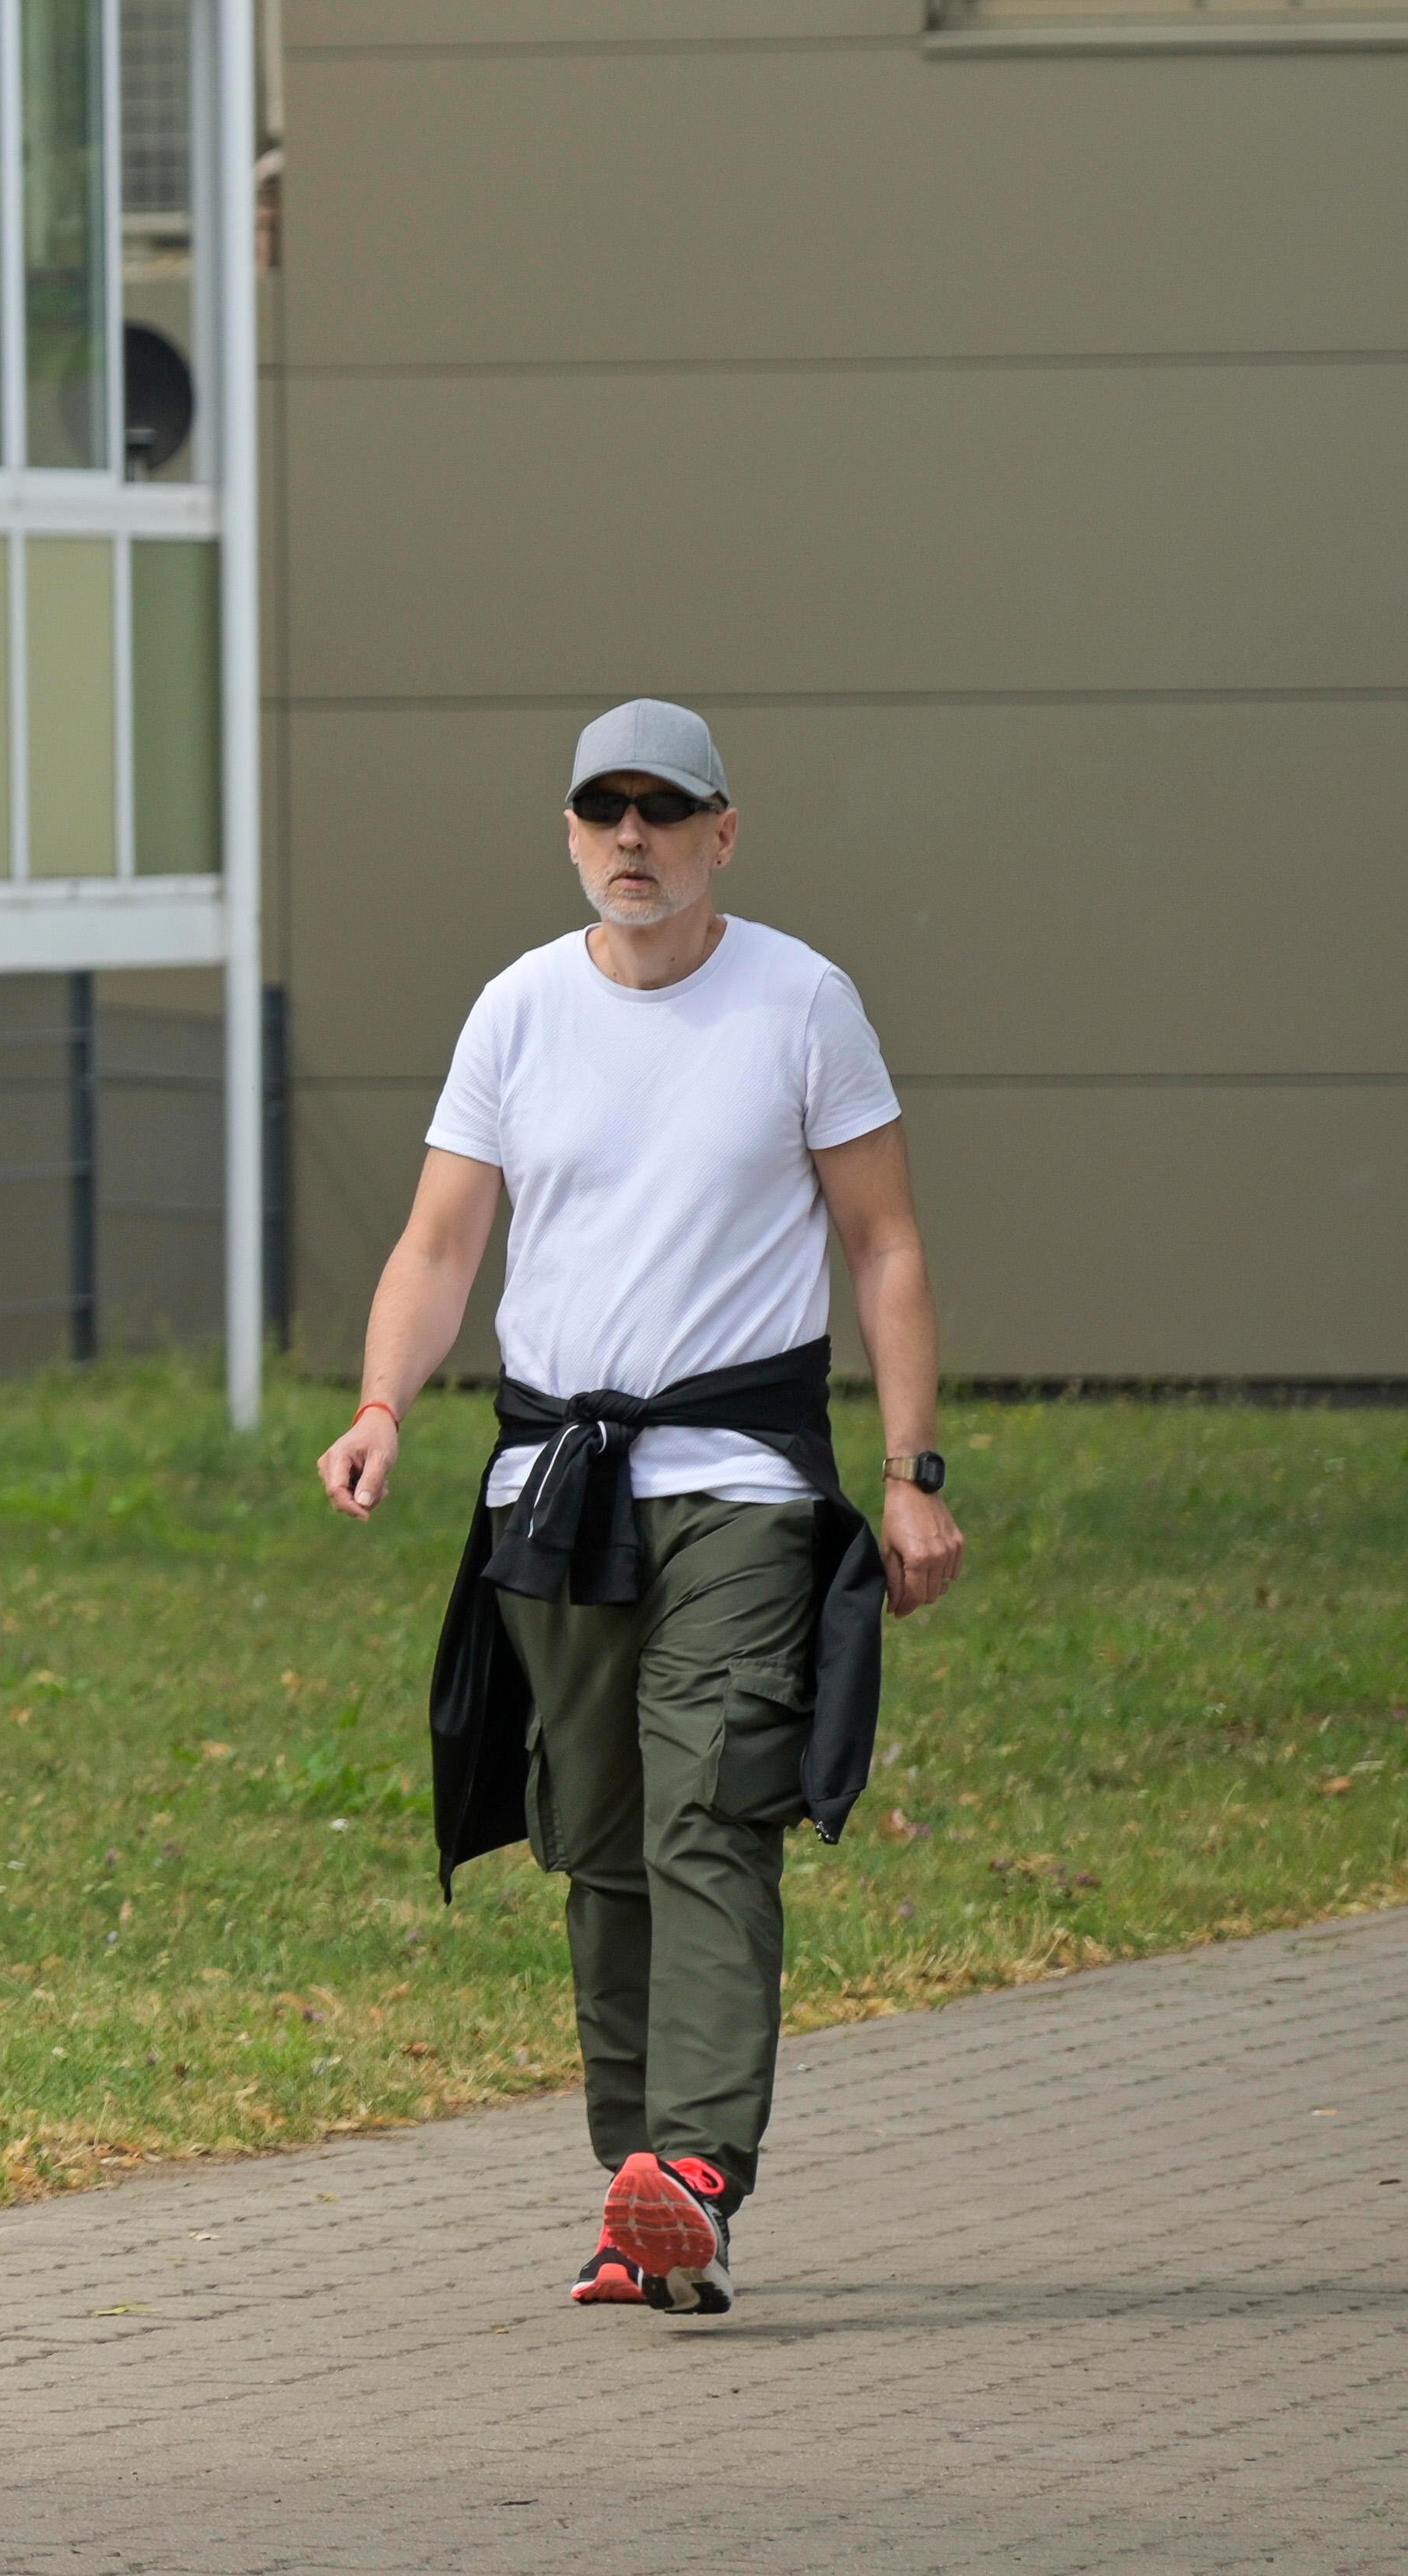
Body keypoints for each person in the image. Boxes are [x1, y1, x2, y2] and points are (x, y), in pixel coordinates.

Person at [317, 702, 966, 2318]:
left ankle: (693, 2163)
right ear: (568, 830)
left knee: (707, 1803)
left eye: (660, 809)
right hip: (556, 1488)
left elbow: (881, 1240)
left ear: (719, 831)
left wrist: (909, 1470)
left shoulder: (800, 1000)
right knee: (596, 1834)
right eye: (601, 808)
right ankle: (638, 2192)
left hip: (740, 1483)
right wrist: (383, 1402)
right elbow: (440, 1244)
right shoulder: (517, 1010)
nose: (631, 836)